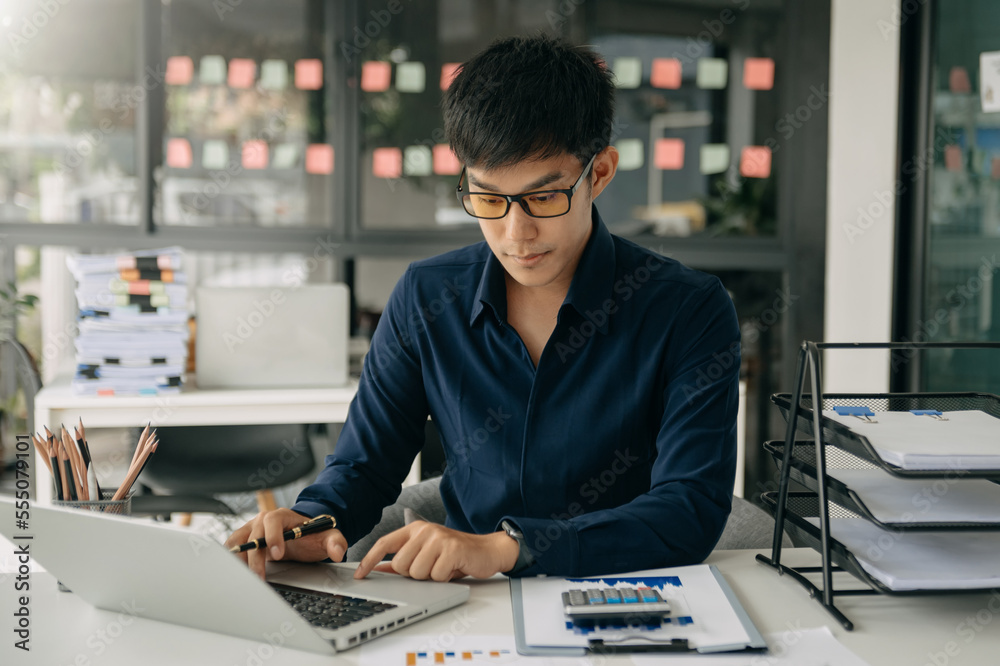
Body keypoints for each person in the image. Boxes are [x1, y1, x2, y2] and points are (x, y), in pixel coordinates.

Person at [226, 34, 740, 582]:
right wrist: (306, 524)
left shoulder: (689, 310)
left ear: (601, 173)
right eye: (489, 198)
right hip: (470, 604)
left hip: (631, 594)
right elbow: (362, 467)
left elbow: (690, 510)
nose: (516, 234)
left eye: (544, 197)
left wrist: (509, 547)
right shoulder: (428, 297)